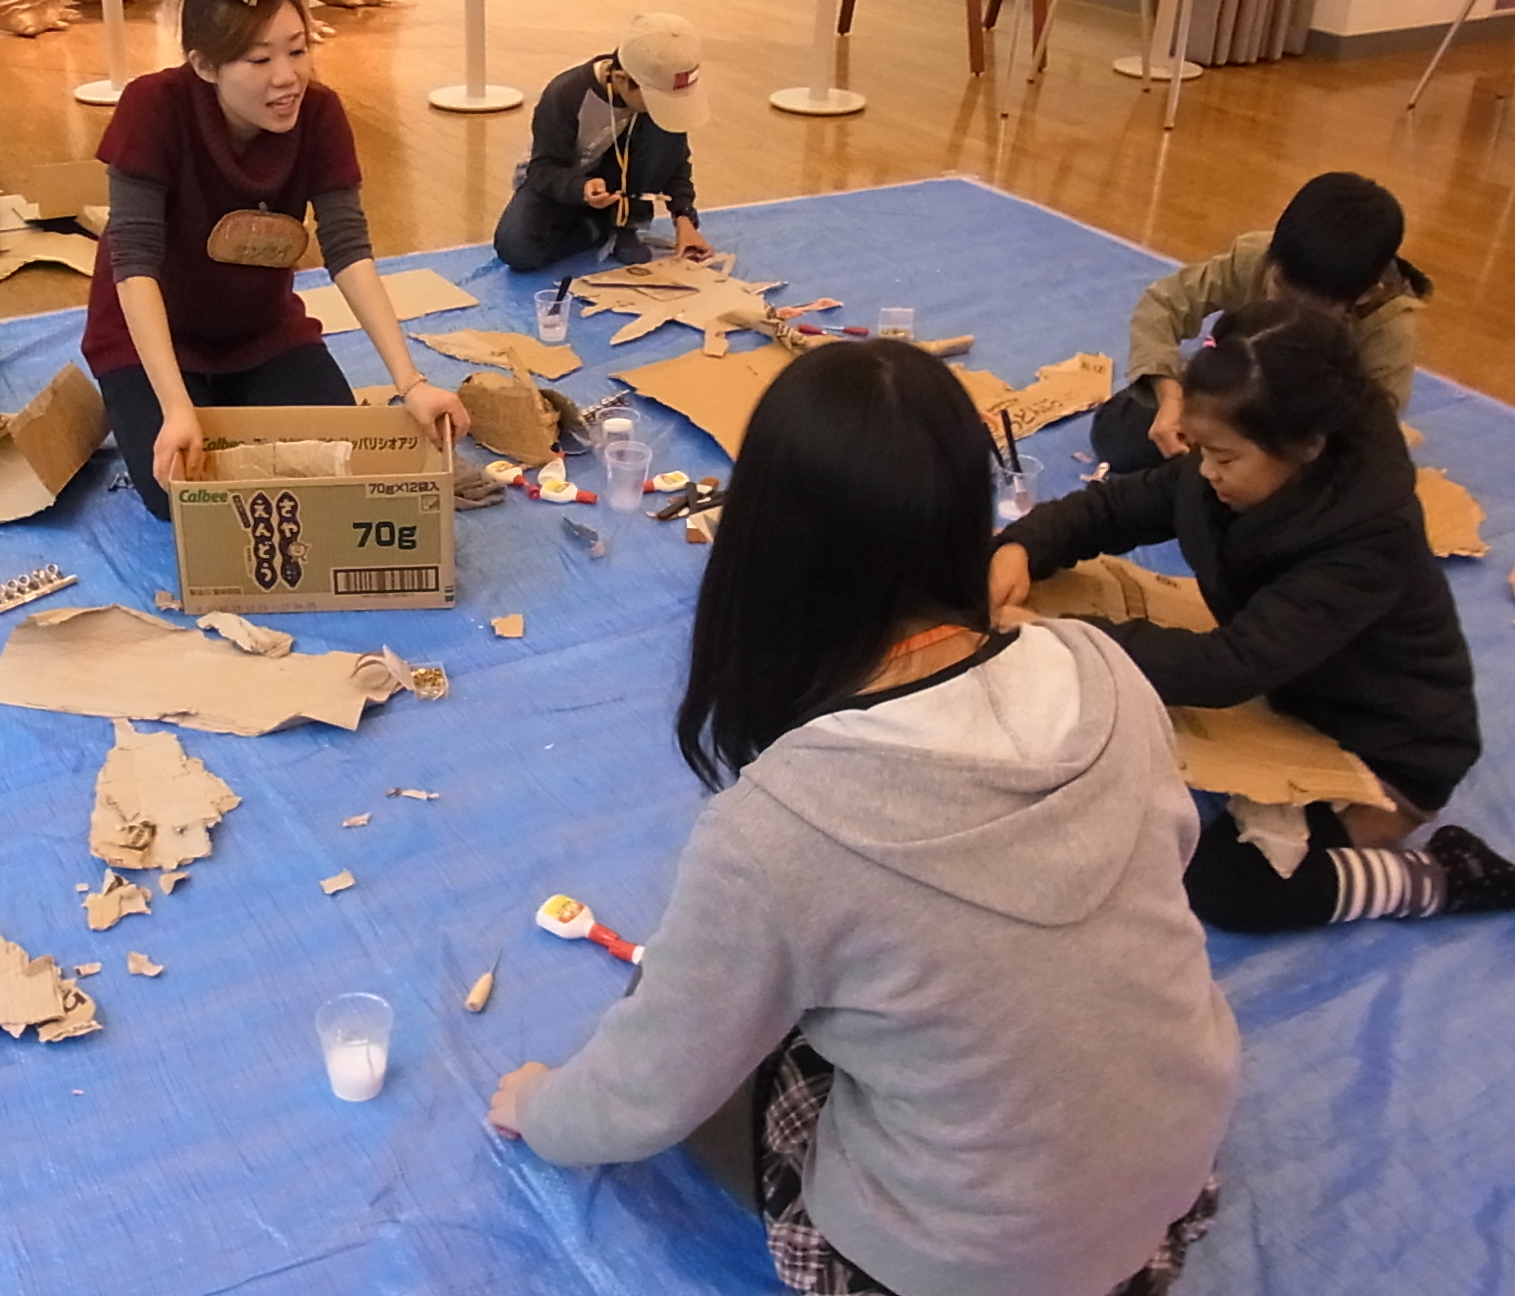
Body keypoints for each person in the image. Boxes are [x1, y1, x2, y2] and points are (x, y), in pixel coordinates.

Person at [489, 340, 1238, 1296]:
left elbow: (647, 1091)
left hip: (954, 1267)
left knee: (695, 1025)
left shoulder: (779, 829)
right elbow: (1163, 869)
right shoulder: (1103, 670)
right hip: (1167, 1193)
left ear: (765, 543)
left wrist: (538, 1108)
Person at [993, 301, 1515, 932]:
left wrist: (1060, 639)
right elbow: (1117, 507)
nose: (1206, 470)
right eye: (1198, 449)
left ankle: (1440, 878)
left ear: (1306, 447)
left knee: (1228, 885)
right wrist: (1023, 546)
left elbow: (1228, 668)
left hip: (1385, 750)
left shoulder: (1367, 538)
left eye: (1224, 457)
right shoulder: (1231, 466)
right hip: (1291, 694)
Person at [79, 0, 469, 520]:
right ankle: (146, 403)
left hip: (259, 330)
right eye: (259, 59)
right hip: (149, 336)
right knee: (177, 493)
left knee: (338, 464)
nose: (287, 78)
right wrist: (177, 407)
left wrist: (410, 383)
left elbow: (348, 247)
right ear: (205, 65)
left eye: (298, 50)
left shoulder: (320, 114)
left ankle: (221, 403)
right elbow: (133, 264)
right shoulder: (153, 107)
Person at [1092, 172, 1430, 475]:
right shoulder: (1256, 259)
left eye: (1313, 313)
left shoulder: (1388, 327)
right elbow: (1162, 305)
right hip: (1232, 393)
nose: (1290, 314)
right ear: (1272, 259)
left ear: (1365, 296)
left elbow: (1372, 432)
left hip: (1299, 432)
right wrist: (1171, 397)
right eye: (1279, 290)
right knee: (1120, 438)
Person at [493, 12, 713, 273]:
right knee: (516, 248)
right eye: (655, 99)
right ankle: (596, 227)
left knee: (663, 128)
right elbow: (542, 169)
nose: (660, 107)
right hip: (564, 180)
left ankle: (625, 224)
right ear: (621, 79)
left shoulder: (658, 107)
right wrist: (581, 188)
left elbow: (675, 161)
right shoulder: (566, 94)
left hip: (622, 184)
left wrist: (684, 217)